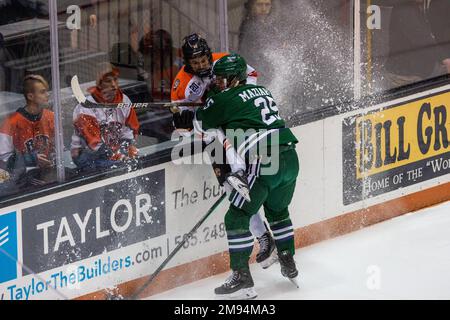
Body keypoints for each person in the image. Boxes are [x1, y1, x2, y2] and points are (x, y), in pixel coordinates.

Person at [194, 53, 299, 299]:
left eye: (221, 79)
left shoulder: (224, 98)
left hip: (264, 162)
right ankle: (287, 260)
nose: (217, 83)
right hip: (290, 158)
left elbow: (200, 124)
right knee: (278, 213)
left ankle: (241, 274)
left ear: (233, 78)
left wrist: (205, 106)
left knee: (236, 217)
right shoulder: (262, 90)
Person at [171, 33, 278, 269]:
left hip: (241, 129)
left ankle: (272, 232)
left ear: (209, 54)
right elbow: (184, 127)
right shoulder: (182, 84)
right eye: (195, 62)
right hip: (215, 141)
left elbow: (253, 77)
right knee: (234, 192)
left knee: (258, 183)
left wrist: (228, 97)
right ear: (187, 63)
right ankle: (264, 238)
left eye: (203, 59)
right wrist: (184, 120)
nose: (201, 65)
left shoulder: (226, 61)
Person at [70, 62, 140, 172]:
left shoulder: (124, 100)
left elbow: (129, 131)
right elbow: (94, 145)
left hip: (111, 152)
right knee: (117, 169)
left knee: (134, 164)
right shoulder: (85, 108)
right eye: (108, 81)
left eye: (115, 79)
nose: (114, 85)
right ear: (99, 83)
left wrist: (129, 147)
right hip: (87, 156)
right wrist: (119, 157)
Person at [0, 74, 54, 187]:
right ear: (30, 96)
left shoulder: (51, 117)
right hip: (22, 178)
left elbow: (60, 147)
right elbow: (3, 159)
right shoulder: (11, 123)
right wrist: (31, 159)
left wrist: (52, 160)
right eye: (42, 92)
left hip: (48, 173)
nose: (47, 95)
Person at [384, 0, 450, 88]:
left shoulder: (416, 7)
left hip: (418, 71)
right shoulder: (404, 10)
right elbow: (422, 39)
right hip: (405, 76)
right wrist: (444, 59)